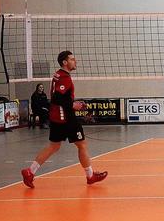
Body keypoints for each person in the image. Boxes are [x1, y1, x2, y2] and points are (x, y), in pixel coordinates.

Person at [21, 51, 107, 188]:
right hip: (65, 117)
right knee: (82, 144)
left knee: (54, 146)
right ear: (65, 62)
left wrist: (74, 103)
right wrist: (73, 105)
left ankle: (30, 171)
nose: (75, 61)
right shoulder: (64, 77)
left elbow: (61, 97)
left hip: (56, 116)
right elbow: (56, 98)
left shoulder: (58, 74)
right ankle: (90, 176)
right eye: (72, 59)